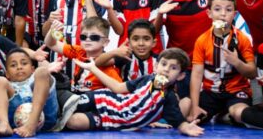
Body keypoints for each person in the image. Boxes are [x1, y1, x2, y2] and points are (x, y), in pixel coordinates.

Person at [66, 48, 203, 136]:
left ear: (180, 76)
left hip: (109, 120)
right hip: (103, 99)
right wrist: (93, 68)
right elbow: (118, 88)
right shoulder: (145, 79)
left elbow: (179, 121)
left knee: (74, 122)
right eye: (164, 64)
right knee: (69, 104)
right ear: (156, 66)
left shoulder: (169, 97)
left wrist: (186, 128)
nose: (166, 69)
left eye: (173, 68)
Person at [187, 0, 255, 124]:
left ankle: (225, 116)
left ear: (234, 15)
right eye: (217, 9)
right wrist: (194, 107)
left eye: (228, 10)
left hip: (236, 92)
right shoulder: (202, 40)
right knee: (189, 113)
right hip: (210, 93)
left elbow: (252, 72)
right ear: (209, 13)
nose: (223, 14)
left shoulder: (242, 39)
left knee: (241, 115)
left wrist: (237, 62)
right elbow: (196, 75)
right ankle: (220, 115)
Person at [0, 49, 60, 137]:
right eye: (13, 65)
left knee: (42, 71)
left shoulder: (35, 77)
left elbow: (42, 73)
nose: (19, 67)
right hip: (15, 117)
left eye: (24, 63)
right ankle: (4, 124)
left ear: (32, 69)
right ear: (7, 74)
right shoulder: (7, 85)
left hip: (45, 114)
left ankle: (32, 123)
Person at [45, 17, 121, 93]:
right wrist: (52, 31)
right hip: (73, 94)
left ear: (105, 42)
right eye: (83, 37)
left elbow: (120, 91)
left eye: (94, 37)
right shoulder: (78, 51)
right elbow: (51, 44)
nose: (88, 39)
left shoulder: (109, 69)